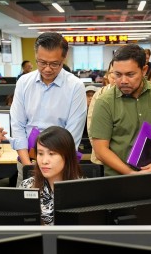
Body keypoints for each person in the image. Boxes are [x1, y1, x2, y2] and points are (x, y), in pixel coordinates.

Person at [90, 44, 151, 176]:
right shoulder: (105, 102)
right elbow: (100, 150)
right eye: (118, 74)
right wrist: (130, 173)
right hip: (118, 179)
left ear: (144, 70)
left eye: (130, 74)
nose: (123, 81)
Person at [10, 32, 87, 186]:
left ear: (63, 59)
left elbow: (73, 134)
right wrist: (27, 165)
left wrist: (51, 163)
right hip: (27, 160)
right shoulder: (24, 82)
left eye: (54, 64)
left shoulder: (75, 86)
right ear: (36, 56)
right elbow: (17, 125)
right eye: (42, 62)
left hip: (60, 165)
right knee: (27, 207)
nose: (47, 69)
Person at [19, 126, 83, 225]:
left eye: (52, 154)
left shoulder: (83, 188)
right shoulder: (27, 186)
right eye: (40, 153)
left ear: (67, 156)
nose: (44, 161)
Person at [87, 61, 115, 165]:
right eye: (113, 73)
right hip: (100, 156)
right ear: (108, 75)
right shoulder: (99, 95)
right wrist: (100, 150)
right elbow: (91, 126)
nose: (116, 77)